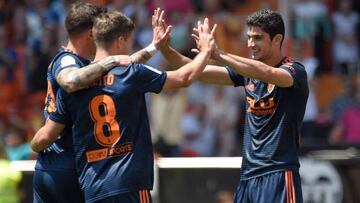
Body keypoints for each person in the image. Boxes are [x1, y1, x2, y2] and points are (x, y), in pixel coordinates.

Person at [31, 10, 215, 203]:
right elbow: (184, 77)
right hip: (129, 183)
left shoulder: (73, 87)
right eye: (129, 42)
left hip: (93, 187)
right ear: (120, 41)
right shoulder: (131, 74)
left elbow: (47, 134)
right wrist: (206, 52)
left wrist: (153, 47)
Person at [159, 9, 308, 203]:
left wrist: (218, 54)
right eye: (249, 37)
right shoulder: (247, 72)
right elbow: (196, 70)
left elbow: (267, 73)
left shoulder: (295, 71)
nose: (251, 44)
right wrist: (164, 49)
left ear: (277, 39)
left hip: (278, 173)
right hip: (248, 176)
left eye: (258, 38)